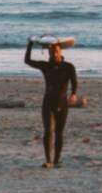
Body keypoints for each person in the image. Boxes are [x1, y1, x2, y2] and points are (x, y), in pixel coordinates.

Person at [24, 38, 78, 168]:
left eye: (56, 51)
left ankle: (57, 160)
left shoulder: (68, 67)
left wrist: (74, 94)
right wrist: (30, 44)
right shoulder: (46, 66)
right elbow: (27, 61)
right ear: (48, 53)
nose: (53, 54)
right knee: (48, 130)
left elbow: (74, 82)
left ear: (60, 52)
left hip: (62, 104)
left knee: (59, 133)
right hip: (48, 103)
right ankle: (48, 161)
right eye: (51, 52)